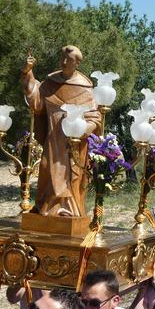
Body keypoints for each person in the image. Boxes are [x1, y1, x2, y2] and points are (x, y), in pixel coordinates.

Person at [21, 45, 101, 217]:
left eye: (69, 60)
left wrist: (84, 130)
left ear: (77, 63)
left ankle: (69, 210)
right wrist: (28, 73)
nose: (64, 62)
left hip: (75, 142)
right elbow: (37, 103)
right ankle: (47, 208)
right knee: (46, 171)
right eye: (62, 58)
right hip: (53, 140)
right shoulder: (50, 83)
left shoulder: (84, 87)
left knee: (73, 175)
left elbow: (94, 117)